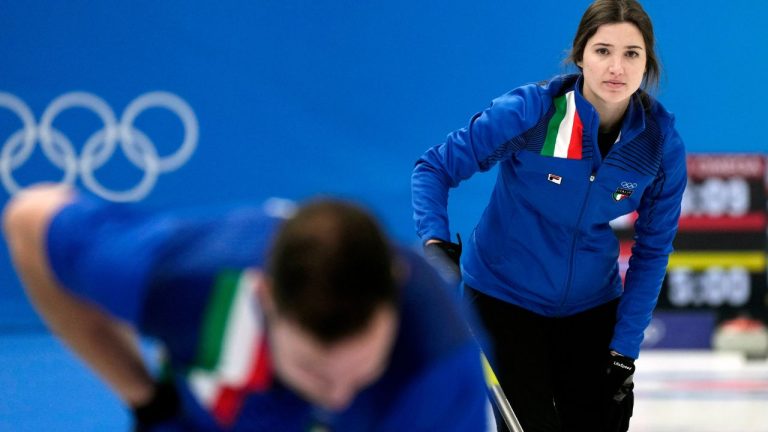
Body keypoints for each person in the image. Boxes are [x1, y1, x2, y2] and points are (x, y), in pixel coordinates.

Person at [3, 184, 491, 431]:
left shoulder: (441, 363)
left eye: (361, 370)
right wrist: (143, 395)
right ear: (265, 299)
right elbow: (28, 219)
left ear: (394, 292)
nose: (337, 397)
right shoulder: (184, 280)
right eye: (316, 372)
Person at [411, 0, 686, 431]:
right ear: (580, 56)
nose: (617, 66)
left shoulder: (658, 144)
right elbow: (435, 168)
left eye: (632, 53)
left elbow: (653, 251)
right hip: (504, 302)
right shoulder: (531, 114)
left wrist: (623, 350)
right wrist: (434, 243)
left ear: (647, 63)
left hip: (591, 309)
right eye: (602, 51)